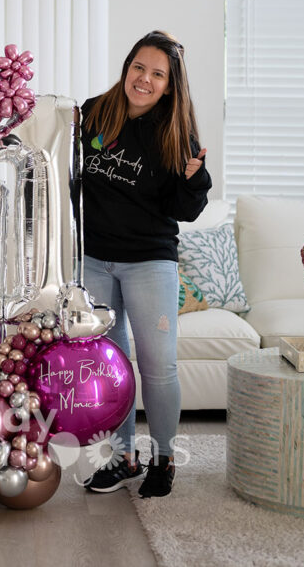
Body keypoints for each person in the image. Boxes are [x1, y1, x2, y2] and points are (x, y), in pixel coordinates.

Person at [81, 30, 211, 498]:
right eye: (140, 67)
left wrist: (197, 182)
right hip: (93, 259)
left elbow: (185, 209)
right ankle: (120, 459)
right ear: (127, 66)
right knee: (108, 366)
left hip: (149, 261)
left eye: (158, 74)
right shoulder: (93, 112)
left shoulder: (175, 133)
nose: (145, 79)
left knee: (158, 367)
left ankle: (163, 458)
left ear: (169, 85)